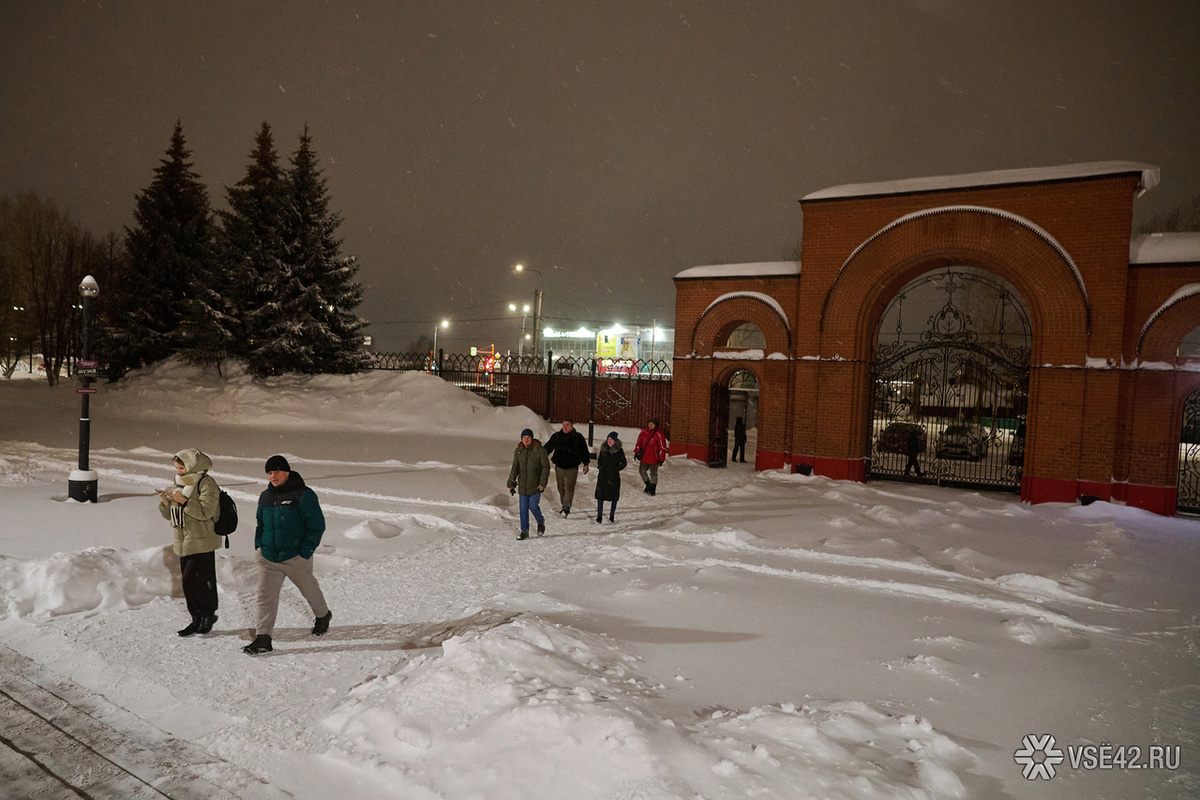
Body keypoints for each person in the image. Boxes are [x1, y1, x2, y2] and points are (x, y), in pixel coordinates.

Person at [243, 455, 332, 655]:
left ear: (287, 472)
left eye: (276, 472)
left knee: (309, 590)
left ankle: (323, 615)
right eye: (269, 473)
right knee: (265, 596)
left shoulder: (303, 495)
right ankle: (263, 638)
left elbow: (317, 526)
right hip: (269, 557)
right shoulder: (265, 496)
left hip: (295, 556)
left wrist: (305, 552)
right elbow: (261, 523)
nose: (272, 476)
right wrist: (260, 545)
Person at [158, 448, 222, 637]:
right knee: (189, 584)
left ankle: (207, 615)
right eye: (176, 468)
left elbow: (206, 512)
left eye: (181, 468)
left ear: (193, 466)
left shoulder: (206, 483)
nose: (178, 471)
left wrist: (185, 502)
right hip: (183, 540)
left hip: (202, 540)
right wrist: (166, 503)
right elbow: (169, 515)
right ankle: (196, 618)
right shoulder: (178, 483)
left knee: (199, 580)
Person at [507, 428, 550, 540]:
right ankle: (524, 531)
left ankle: (540, 521)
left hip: (535, 485)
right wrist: (511, 482)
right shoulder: (519, 451)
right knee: (523, 509)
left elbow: (545, 468)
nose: (526, 440)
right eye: (524, 438)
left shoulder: (540, 451)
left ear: (532, 438)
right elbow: (515, 468)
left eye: (528, 437)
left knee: (533, 506)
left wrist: (542, 483)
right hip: (523, 485)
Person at [544, 418, 591, 517]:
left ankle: (566, 508)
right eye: (564, 425)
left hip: (572, 467)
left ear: (572, 426)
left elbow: (584, 451)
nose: (565, 427)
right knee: (561, 488)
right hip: (559, 466)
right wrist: (540, 457)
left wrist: (586, 463)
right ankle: (564, 504)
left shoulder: (577, 437)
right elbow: (547, 448)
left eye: (568, 425)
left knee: (569, 488)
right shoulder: (557, 436)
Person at [594, 431, 627, 523]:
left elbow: (623, 463)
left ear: (615, 440)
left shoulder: (619, 450)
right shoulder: (604, 449)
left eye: (611, 439)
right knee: (600, 496)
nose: (609, 441)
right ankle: (599, 516)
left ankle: (612, 515)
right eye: (608, 439)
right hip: (603, 476)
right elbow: (600, 460)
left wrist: (615, 470)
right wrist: (600, 467)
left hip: (613, 477)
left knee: (614, 497)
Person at [634, 418, 668, 495]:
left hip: (654, 458)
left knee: (653, 473)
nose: (650, 425)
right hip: (644, 457)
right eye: (649, 424)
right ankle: (648, 484)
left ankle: (653, 488)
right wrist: (636, 452)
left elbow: (662, 447)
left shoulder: (659, 434)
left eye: (652, 424)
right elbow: (639, 442)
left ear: (655, 425)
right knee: (642, 471)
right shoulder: (644, 432)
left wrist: (661, 458)